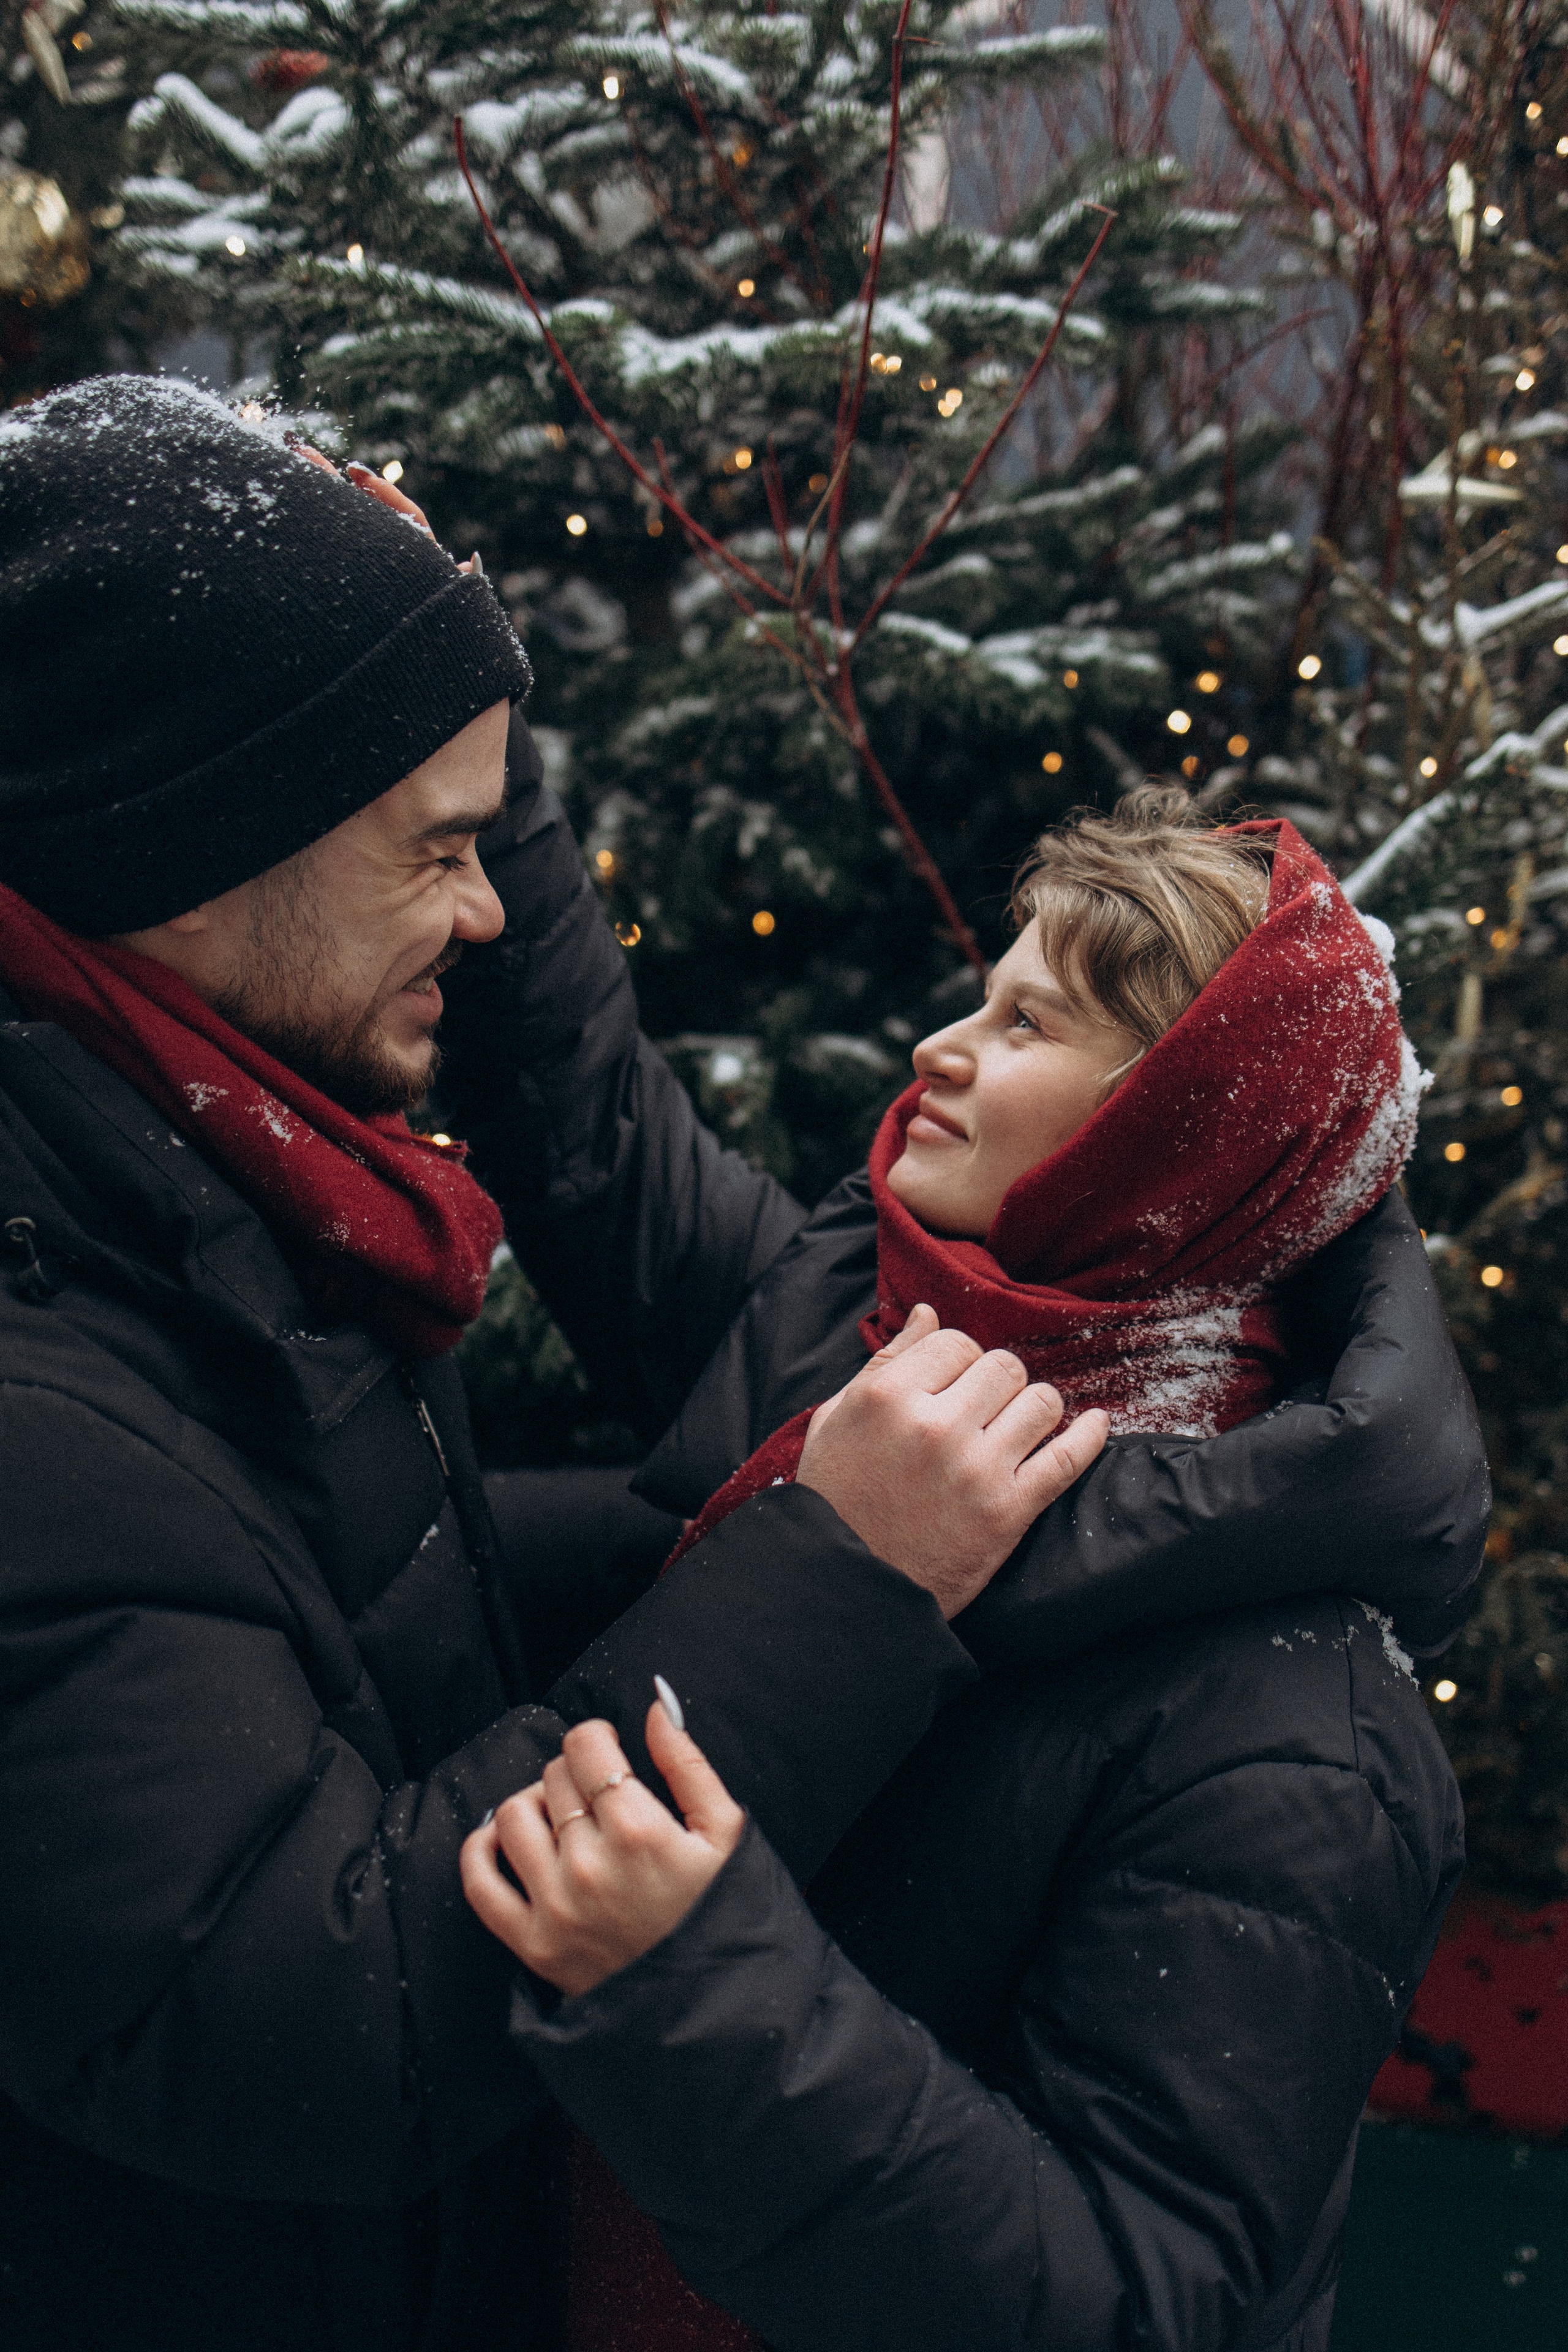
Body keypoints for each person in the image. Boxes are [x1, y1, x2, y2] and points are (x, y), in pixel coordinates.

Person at [0, 375, 1097, 2352]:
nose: (488, 908)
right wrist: (827, 1580)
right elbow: (320, 2026)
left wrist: (729, 1530)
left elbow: (300, 1588)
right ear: (194, 844)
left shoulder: (209, 1164)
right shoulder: (46, 1369)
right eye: (438, 848)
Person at [461, 796, 1474, 2352]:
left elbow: (1143, 2304)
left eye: (1025, 1023)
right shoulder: (849, 1346)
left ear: (1177, 1130)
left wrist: (694, 1988)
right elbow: (585, 1121)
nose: (935, 1049)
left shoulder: (1295, 1720)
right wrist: (471, 742)